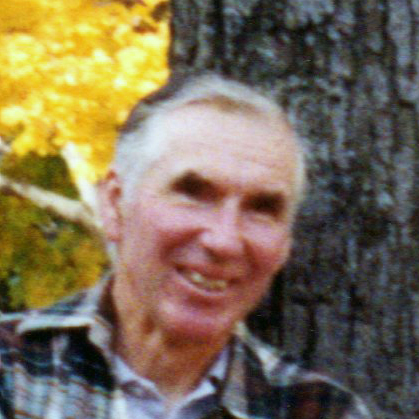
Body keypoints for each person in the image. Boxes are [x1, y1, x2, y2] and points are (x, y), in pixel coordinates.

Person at [0, 74, 372, 419]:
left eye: (262, 209)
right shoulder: (13, 372)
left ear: (286, 243)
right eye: (193, 194)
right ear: (114, 204)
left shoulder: (321, 411)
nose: (224, 240)